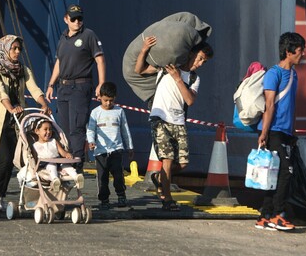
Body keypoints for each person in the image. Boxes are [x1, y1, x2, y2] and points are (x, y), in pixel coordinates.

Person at [135, 36, 214, 211]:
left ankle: (159, 178)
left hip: (178, 121)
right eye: (200, 58)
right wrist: (144, 49)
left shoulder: (194, 79)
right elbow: (139, 69)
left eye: (204, 62)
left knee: (183, 164)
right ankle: (167, 199)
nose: (200, 63)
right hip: (160, 118)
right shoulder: (166, 67)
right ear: (191, 53)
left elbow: (190, 100)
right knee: (168, 160)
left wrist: (178, 78)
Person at [0, 35, 51, 212]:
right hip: (1, 120)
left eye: (19, 49)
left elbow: (34, 88)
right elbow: (0, 91)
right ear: (5, 49)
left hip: (18, 121)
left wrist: (43, 104)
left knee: (14, 160)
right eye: (13, 48)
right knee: (4, 158)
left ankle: (1, 196)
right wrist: (10, 108)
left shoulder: (23, 70)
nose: (17, 52)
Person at [45, 4, 106, 173]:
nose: (77, 21)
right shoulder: (63, 38)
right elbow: (59, 62)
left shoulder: (88, 35)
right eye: (73, 18)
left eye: (80, 18)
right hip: (63, 87)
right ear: (66, 19)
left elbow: (99, 59)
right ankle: (68, 160)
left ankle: (77, 164)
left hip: (80, 86)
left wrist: (101, 83)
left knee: (77, 127)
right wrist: (51, 84)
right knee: (64, 128)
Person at [254, 32, 305, 231]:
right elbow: (269, 106)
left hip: (285, 132)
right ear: (288, 52)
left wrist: (292, 134)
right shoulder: (273, 74)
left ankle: (265, 215)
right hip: (272, 130)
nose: (302, 55)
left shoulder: (294, 74)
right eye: (300, 51)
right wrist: (264, 134)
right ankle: (277, 214)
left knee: (273, 174)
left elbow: (290, 105)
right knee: (286, 172)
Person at [86, 82, 134, 209]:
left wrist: (129, 147)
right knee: (102, 177)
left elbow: (125, 130)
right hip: (100, 151)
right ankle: (104, 199)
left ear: (115, 98)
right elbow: (91, 129)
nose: (108, 103)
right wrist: (91, 141)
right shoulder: (95, 113)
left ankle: (121, 195)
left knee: (118, 175)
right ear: (100, 97)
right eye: (105, 100)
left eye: (111, 100)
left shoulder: (119, 111)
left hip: (116, 150)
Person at [32, 119, 84, 192]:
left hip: (58, 162)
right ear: (37, 131)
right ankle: (55, 180)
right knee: (52, 165)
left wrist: (67, 154)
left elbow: (62, 152)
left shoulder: (53, 141)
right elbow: (34, 159)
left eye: (50, 129)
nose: (48, 132)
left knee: (67, 166)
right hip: (45, 164)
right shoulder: (35, 145)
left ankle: (77, 177)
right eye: (45, 129)